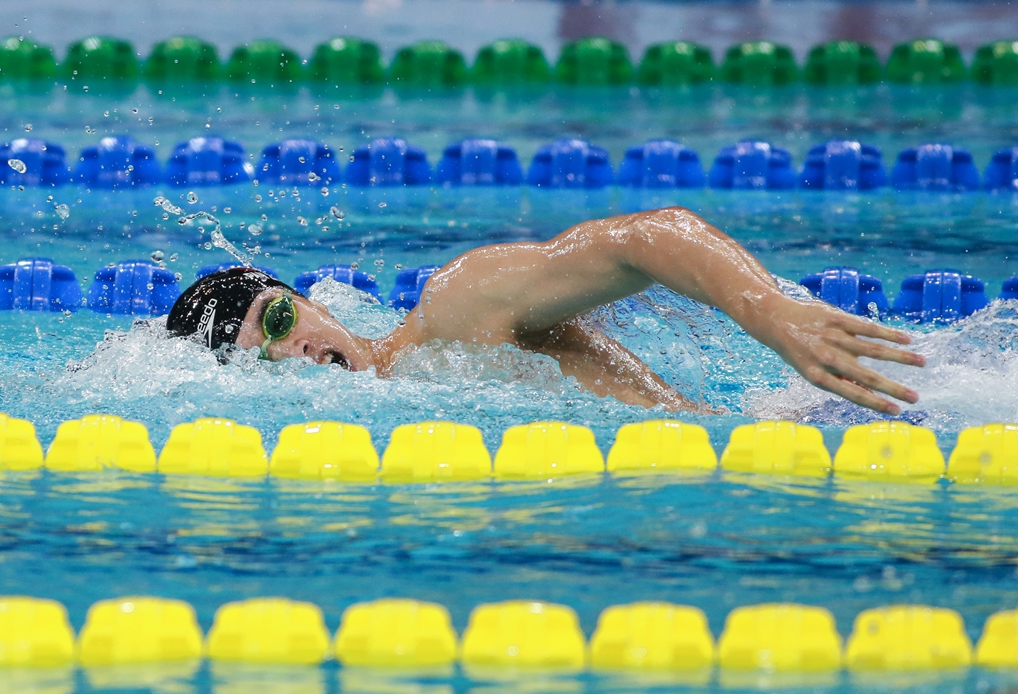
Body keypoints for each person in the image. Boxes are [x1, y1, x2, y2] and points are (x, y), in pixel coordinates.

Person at [167, 207, 924, 415]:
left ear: (310, 301)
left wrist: (770, 313)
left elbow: (641, 239)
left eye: (275, 321)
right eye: (256, 358)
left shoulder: (455, 313)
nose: (288, 349)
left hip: (824, 427)